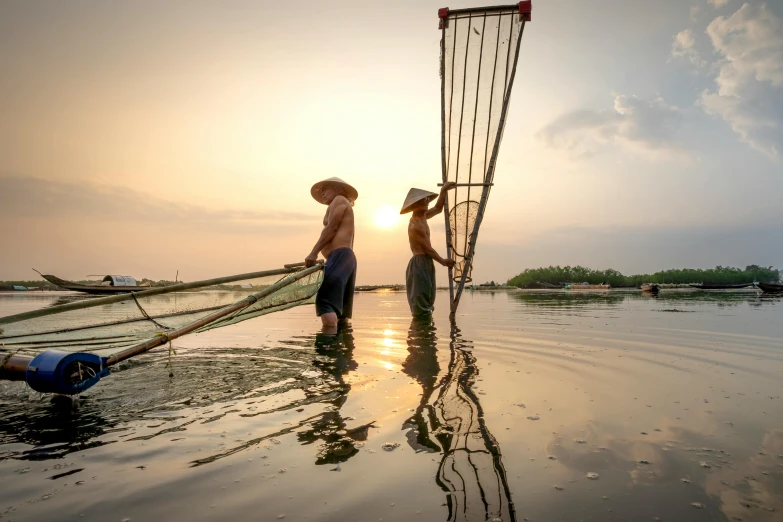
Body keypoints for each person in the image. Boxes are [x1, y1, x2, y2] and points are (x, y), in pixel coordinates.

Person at [306, 177, 358, 331]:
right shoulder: (341, 203)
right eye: (320, 191)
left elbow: (332, 228)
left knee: (325, 301)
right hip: (345, 258)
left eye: (325, 189)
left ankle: (328, 349)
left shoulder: (339, 200)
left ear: (338, 188)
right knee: (341, 312)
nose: (322, 193)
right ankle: (345, 352)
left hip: (340, 256)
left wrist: (313, 253)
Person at [400, 182, 456, 317]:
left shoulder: (423, 217)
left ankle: (427, 335)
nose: (427, 202)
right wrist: (443, 261)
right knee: (421, 304)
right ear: (416, 205)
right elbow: (428, 249)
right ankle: (419, 333)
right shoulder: (416, 225)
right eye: (424, 200)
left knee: (429, 301)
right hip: (419, 263)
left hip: (426, 262)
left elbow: (438, 208)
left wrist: (443, 190)